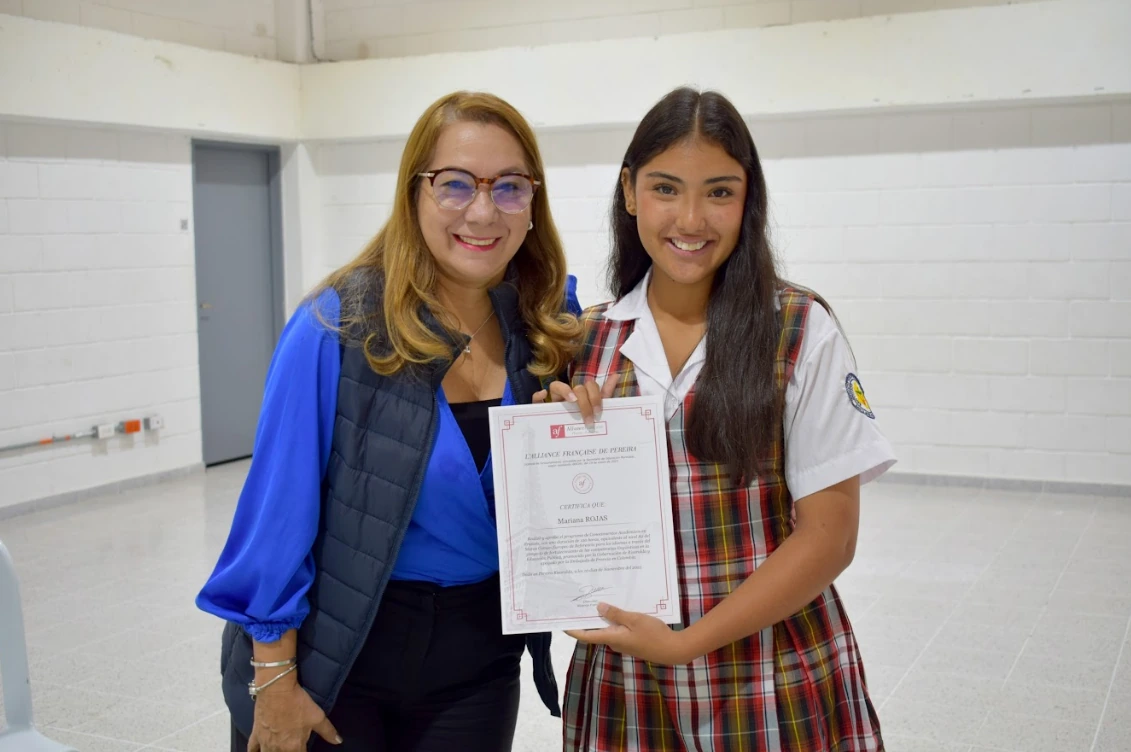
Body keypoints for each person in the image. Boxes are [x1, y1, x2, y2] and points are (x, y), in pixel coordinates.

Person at [196, 91, 582, 752]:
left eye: (509, 187)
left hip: (477, 663)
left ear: (532, 201)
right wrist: (275, 681)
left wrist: (581, 427)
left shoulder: (544, 328)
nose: (483, 211)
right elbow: (276, 518)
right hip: (337, 656)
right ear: (413, 194)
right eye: (454, 184)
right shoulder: (335, 327)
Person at [536, 87, 897, 751]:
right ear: (629, 192)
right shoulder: (584, 343)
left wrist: (684, 645)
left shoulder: (797, 329)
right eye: (666, 189)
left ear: (747, 197)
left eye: (720, 192)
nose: (691, 218)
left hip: (773, 681)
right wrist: (547, 445)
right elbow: (549, 541)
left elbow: (828, 535)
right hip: (626, 690)